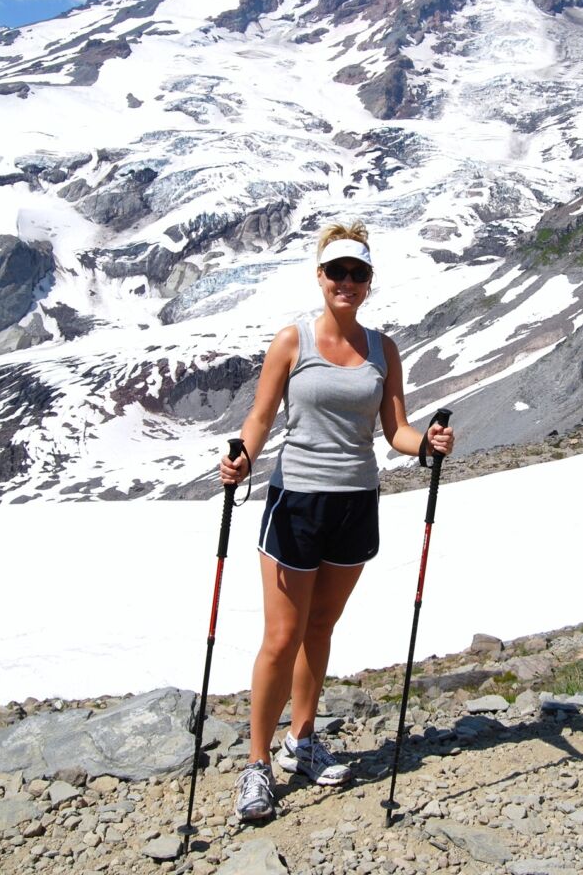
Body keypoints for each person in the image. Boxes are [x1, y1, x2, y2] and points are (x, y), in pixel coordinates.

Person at [219, 219, 454, 822]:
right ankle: (256, 764)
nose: (347, 281)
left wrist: (425, 445)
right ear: (320, 277)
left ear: (369, 281)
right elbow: (261, 417)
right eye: (337, 271)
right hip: (295, 501)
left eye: (359, 272)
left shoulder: (383, 349)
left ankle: (302, 741)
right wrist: (241, 457)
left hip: (355, 501)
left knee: (319, 628)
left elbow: (394, 431)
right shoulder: (291, 341)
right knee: (281, 636)